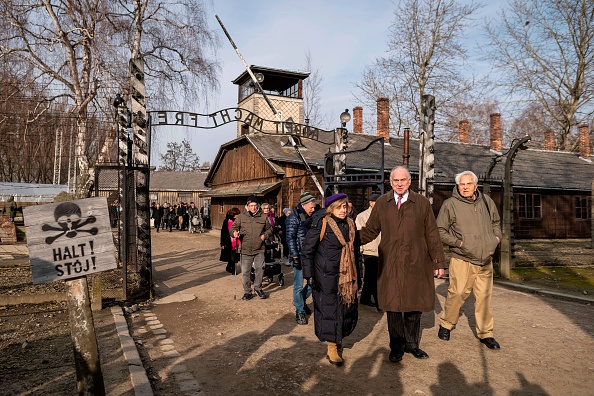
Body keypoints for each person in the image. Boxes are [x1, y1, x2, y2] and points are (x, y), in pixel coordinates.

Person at [359, 166, 446, 363]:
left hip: (417, 261)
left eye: (403, 180)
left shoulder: (422, 203)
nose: (399, 184)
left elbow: (432, 234)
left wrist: (438, 262)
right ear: (390, 182)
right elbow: (370, 230)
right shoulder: (382, 203)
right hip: (390, 261)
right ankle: (396, 346)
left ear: (409, 182)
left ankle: (412, 344)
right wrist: (350, 240)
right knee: (394, 305)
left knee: (414, 304)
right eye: (395, 180)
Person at [436, 170, 502, 350]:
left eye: (468, 184)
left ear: (475, 185)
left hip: (485, 259)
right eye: (461, 184)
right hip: (462, 258)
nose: (465, 187)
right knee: (457, 293)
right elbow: (440, 229)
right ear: (458, 186)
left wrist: (495, 239)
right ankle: (447, 324)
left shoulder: (487, 201)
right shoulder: (450, 204)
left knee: (484, 298)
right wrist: (459, 243)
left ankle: (485, 333)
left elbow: (496, 223)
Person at [301, 193, 360, 366]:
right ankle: (332, 347)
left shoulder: (350, 224)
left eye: (345, 207)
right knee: (329, 310)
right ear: (331, 208)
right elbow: (307, 250)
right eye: (339, 207)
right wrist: (309, 275)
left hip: (346, 276)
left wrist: (359, 275)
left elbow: (355, 252)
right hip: (325, 275)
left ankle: (338, 337)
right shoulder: (322, 223)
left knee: (344, 308)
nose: (343, 211)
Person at [230, 195, 273, 300]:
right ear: (247, 206)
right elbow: (233, 228)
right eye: (251, 205)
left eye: (255, 205)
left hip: (259, 249)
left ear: (257, 206)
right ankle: (247, 292)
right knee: (246, 272)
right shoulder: (241, 217)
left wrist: (265, 236)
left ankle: (258, 288)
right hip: (245, 249)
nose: (253, 208)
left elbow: (270, 229)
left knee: (260, 269)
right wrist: (234, 233)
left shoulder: (263, 217)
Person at [286, 192, 318, 325]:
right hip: (298, 254)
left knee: (313, 282)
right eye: (311, 206)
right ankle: (299, 311)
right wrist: (294, 255)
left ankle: (300, 300)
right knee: (298, 285)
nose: (313, 209)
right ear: (304, 205)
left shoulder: (312, 217)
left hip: (310, 254)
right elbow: (290, 238)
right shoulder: (293, 218)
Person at [355, 193, 381, 309]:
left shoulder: (382, 215)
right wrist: (361, 248)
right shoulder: (362, 216)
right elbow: (359, 232)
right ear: (371, 203)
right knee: (372, 276)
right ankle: (376, 300)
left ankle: (366, 298)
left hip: (380, 249)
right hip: (369, 250)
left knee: (374, 276)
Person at [220, 207, 241, 274]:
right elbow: (223, 232)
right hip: (228, 241)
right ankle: (231, 268)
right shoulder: (227, 221)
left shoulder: (238, 221)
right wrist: (222, 243)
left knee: (235, 256)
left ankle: (232, 268)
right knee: (231, 256)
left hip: (237, 241)